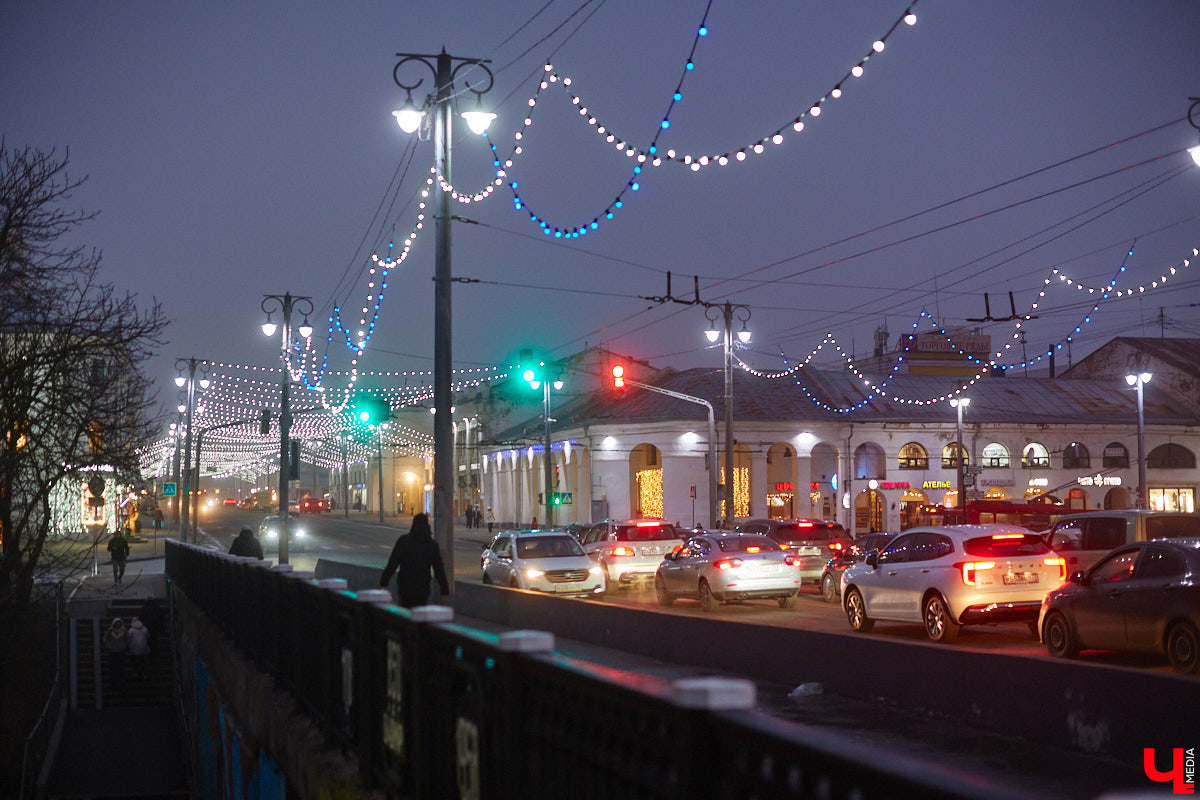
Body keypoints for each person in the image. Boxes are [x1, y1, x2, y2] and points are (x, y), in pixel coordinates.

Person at [379, 513, 450, 608]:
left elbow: (392, 564)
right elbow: (439, 570)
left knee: (405, 611)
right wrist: (444, 591)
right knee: (420, 612)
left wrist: (384, 583)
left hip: (405, 587)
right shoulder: (432, 545)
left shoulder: (403, 541)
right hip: (423, 588)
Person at [102, 618, 129, 686]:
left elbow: (127, 638)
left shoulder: (124, 630)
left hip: (121, 650)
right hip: (112, 651)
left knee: (121, 666)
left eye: (119, 623)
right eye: (117, 623)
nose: (118, 624)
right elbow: (105, 638)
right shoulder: (110, 630)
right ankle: (114, 681)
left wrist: (124, 645)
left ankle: (121, 681)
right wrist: (109, 646)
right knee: (113, 666)